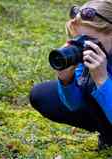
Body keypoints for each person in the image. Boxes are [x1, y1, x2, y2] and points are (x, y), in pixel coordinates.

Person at [29, 0, 112, 150]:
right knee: (41, 94)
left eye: (89, 40)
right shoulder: (88, 52)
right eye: (79, 39)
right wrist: (66, 81)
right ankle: (107, 134)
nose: (84, 46)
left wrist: (102, 80)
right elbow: (74, 105)